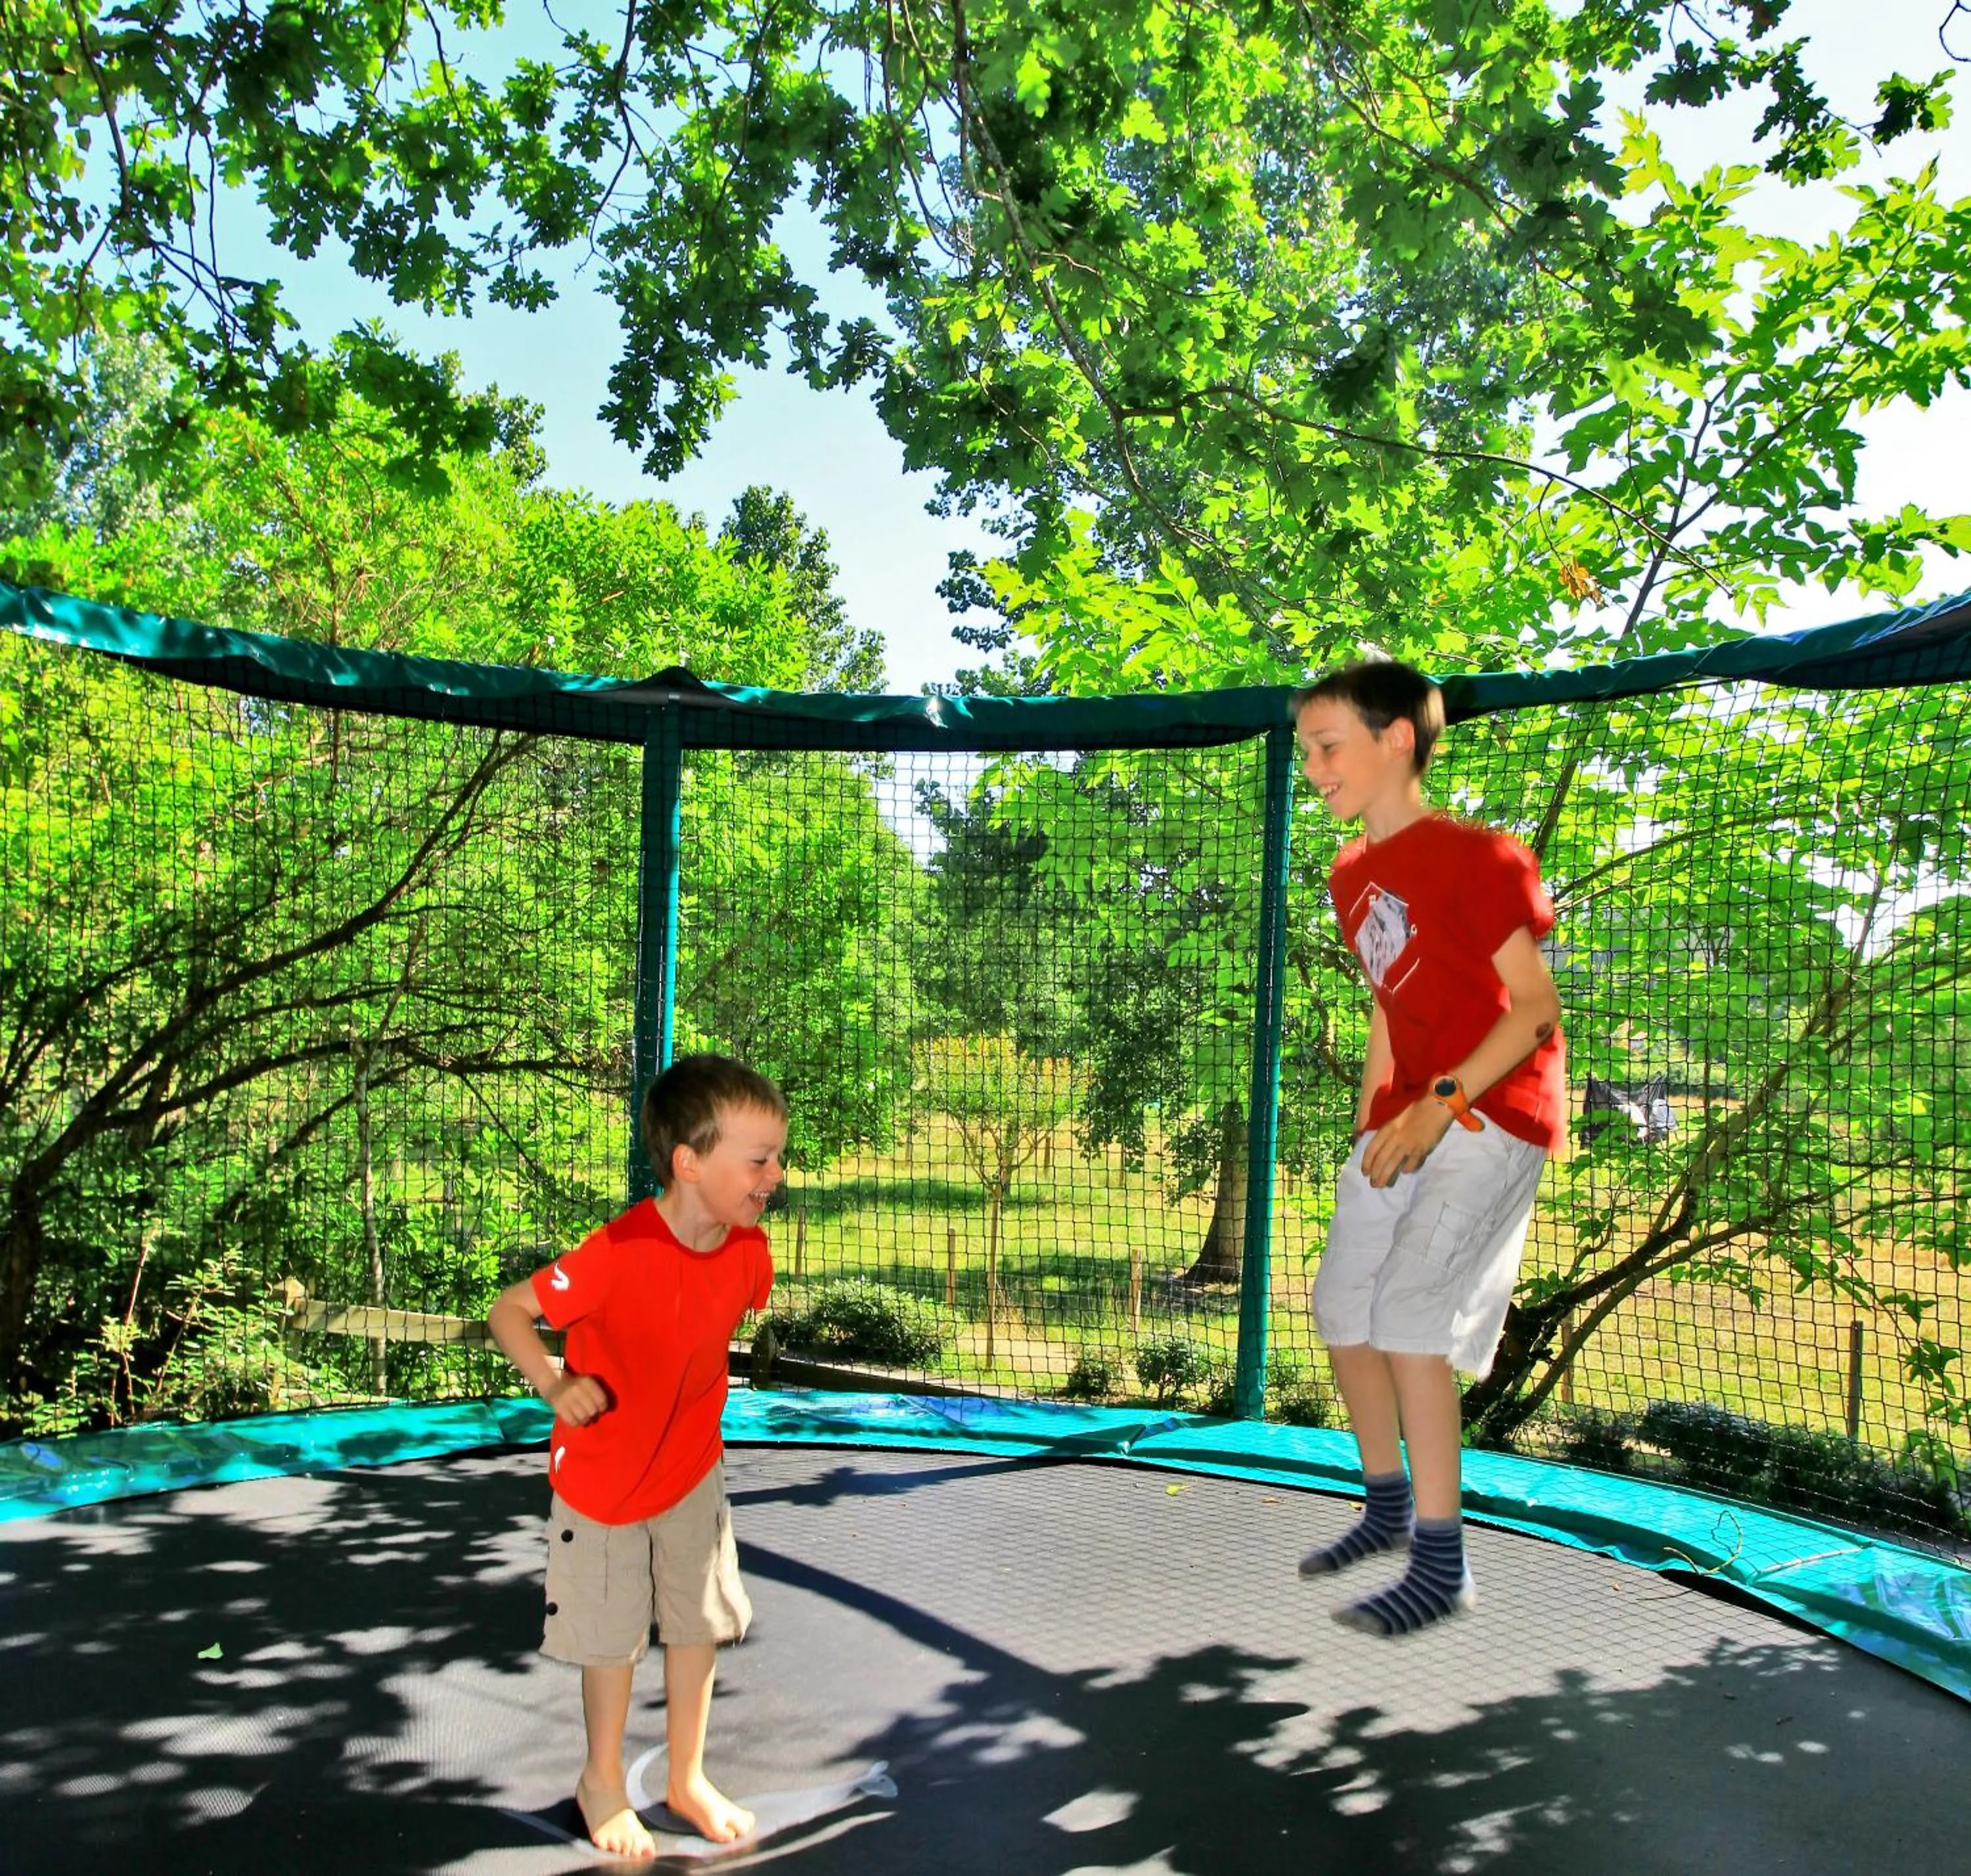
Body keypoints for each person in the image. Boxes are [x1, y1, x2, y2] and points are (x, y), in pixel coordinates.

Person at [1292, 661, 1564, 1636]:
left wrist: (1436, 1106)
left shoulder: (1481, 859)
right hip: (1406, 1115)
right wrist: (1377, 1119)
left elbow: (1535, 1013)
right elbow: (1387, 1000)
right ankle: (1388, 1511)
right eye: (1305, 749)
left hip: (1493, 1111)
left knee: (1409, 1317)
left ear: (1396, 739)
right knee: (1343, 1308)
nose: (1313, 765)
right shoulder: (1349, 873)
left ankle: (1443, 1568)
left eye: (1329, 746)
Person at [487, 1053, 786, 1858]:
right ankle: (602, 1782)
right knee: (610, 1637)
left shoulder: (748, 1252)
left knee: (696, 1625)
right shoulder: (616, 1252)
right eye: (758, 1161)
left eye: (777, 1158)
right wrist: (554, 1385)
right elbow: (509, 1312)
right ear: (689, 1164)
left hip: (689, 1471)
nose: (775, 1175)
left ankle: (685, 1777)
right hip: (602, 1481)